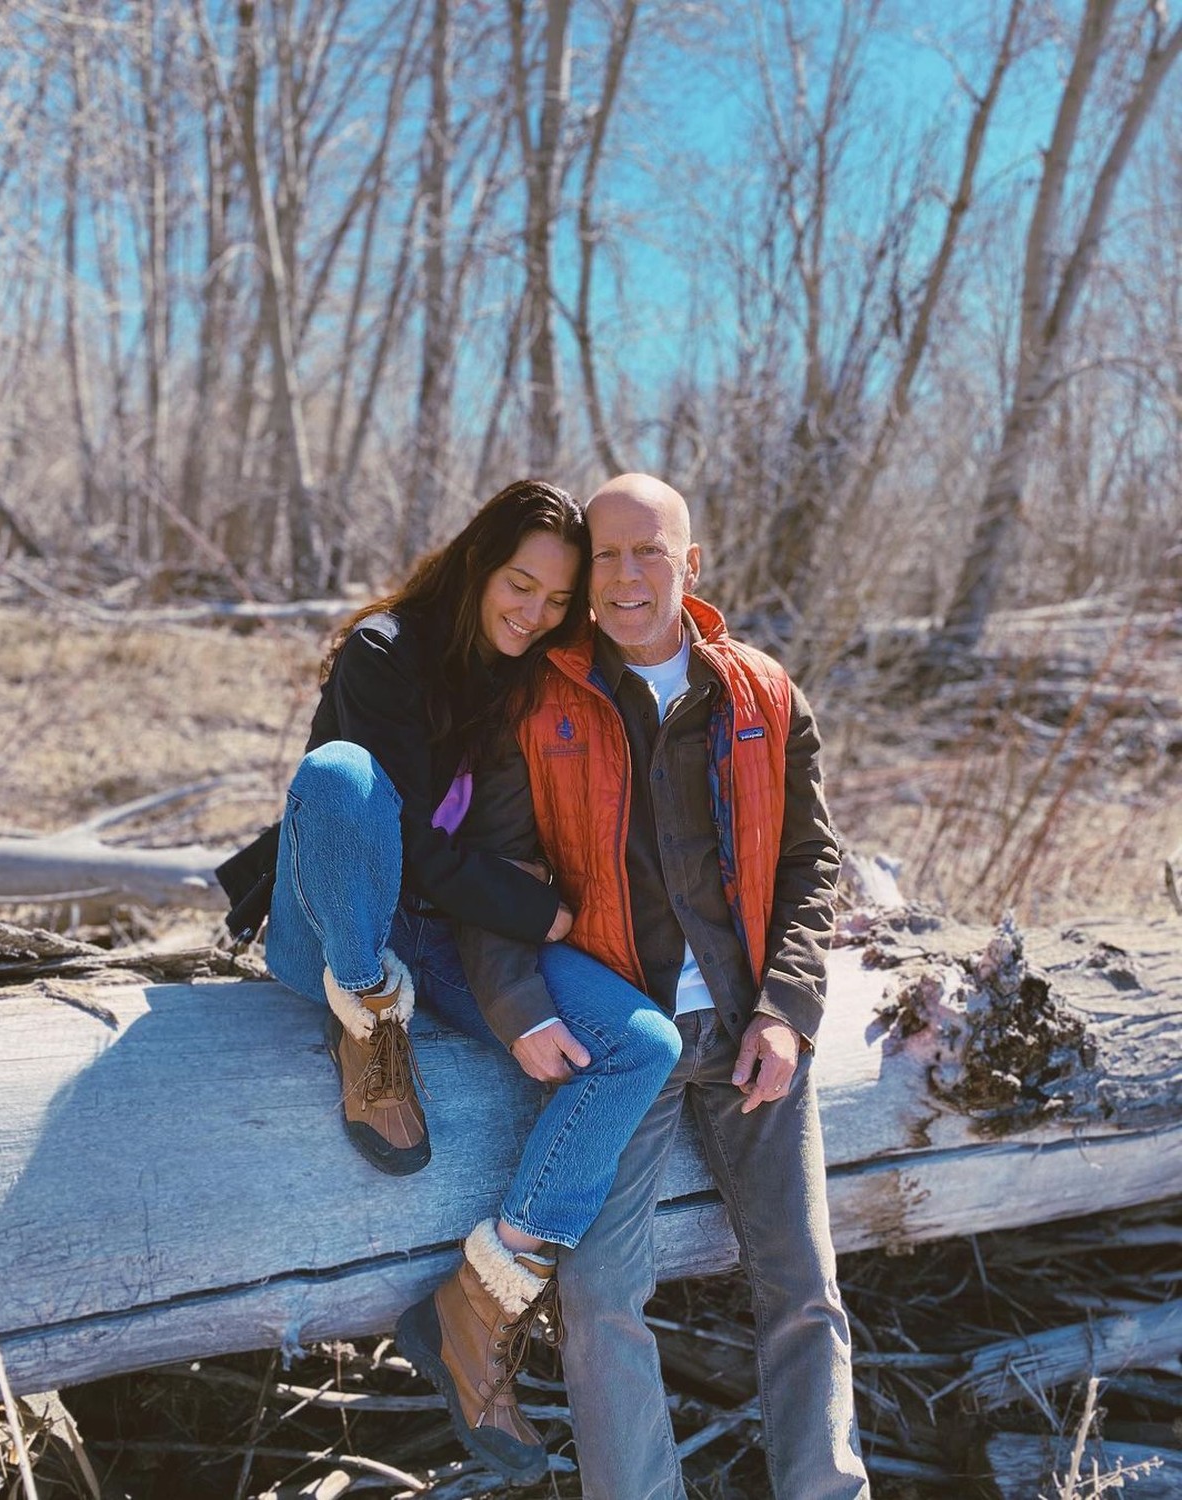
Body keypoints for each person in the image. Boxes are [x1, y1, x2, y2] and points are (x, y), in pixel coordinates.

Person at [261, 479, 682, 1486]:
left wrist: (529, 921)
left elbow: (490, 847)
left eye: (556, 600)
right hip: (333, 921)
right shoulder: (385, 652)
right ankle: (369, 1025)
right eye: (519, 584)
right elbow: (398, 837)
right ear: (477, 565)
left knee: (642, 1045)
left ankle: (480, 1300)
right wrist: (533, 908)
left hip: (444, 929)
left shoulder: (532, 684)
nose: (533, 613)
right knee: (343, 776)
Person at [456, 473, 870, 1498]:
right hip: (621, 1040)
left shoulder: (764, 694)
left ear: (691, 564)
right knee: (598, 1298)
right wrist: (519, 1005)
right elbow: (493, 872)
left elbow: (811, 863)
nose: (627, 575)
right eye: (607, 554)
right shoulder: (537, 699)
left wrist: (788, 1010)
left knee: (804, 1286)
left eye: (650, 551)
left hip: (746, 1029)